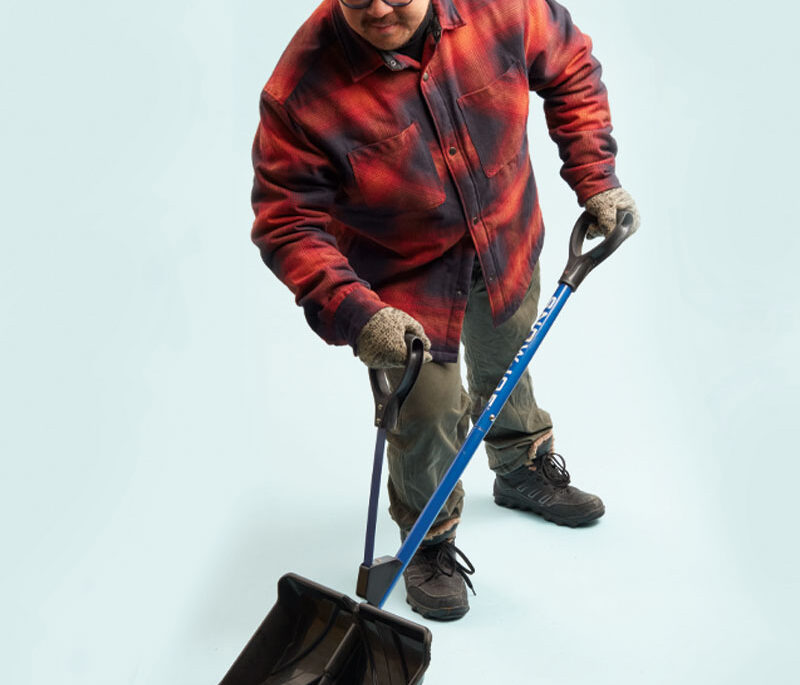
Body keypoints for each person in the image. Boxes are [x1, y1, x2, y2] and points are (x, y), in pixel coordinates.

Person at [251, 0, 640, 621]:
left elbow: (570, 65)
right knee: (427, 414)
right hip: (403, 288)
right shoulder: (301, 91)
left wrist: (596, 176)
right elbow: (286, 223)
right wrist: (358, 314)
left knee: (511, 355)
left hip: (506, 239)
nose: (379, 10)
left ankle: (520, 465)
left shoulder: (503, 9)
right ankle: (429, 539)